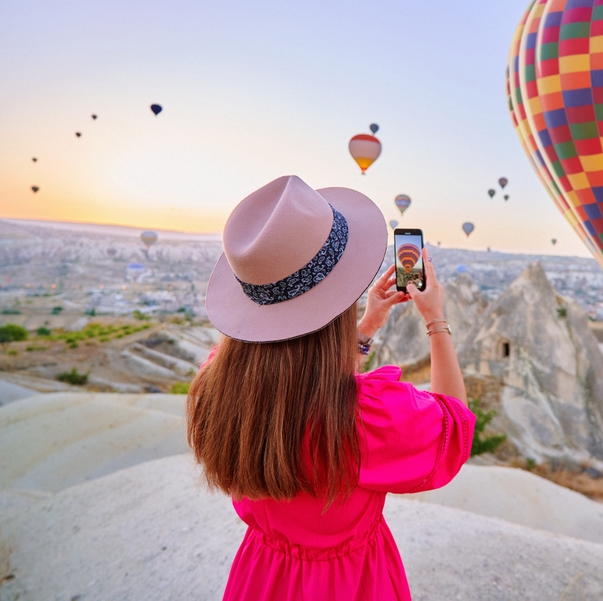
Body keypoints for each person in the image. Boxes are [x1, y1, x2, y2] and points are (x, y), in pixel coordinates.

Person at [187, 175, 474, 600]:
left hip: (262, 578)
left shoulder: (219, 385)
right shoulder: (364, 419)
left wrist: (368, 326)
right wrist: (436, 320)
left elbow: (300, 378)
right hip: (352, 583)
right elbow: (453, 425)